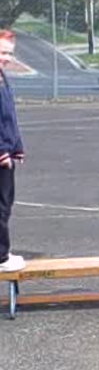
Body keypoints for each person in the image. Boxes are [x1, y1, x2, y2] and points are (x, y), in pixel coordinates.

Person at [0, 29, 25, 271]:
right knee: (0, 205)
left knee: (6, 203)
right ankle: (0, 257)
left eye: (9, 53)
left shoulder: (2, 77)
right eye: (2, 52)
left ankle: (2, 252)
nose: (6, 58)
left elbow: (9, 118)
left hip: (7, 153)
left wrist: (17, 146)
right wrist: (2, 152)